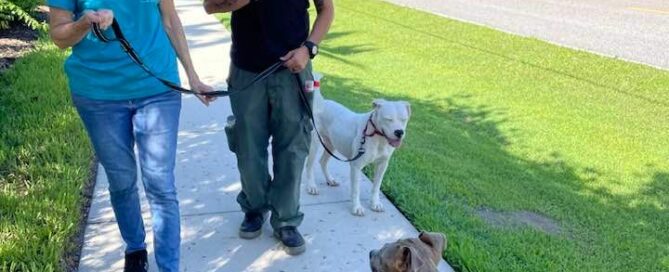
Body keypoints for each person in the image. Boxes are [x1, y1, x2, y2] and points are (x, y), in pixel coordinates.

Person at [48, 0, 213, 271]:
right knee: (122, 180)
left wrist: (193, 77)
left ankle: (169, 267)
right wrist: (83, 23)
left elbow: (169, 19)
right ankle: (135, 249)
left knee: (161, 184)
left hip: (157, 88)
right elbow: (59, 36)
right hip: (98, 95)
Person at [203, 0, 334, 255]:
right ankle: (254, 207)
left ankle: (286, 219)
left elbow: (326, 10)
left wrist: (308, 49)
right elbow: (210, 6)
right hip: (246, 70)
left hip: (293, 70)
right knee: (248, 146)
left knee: (293, 147)